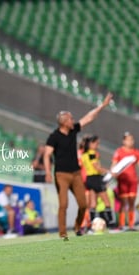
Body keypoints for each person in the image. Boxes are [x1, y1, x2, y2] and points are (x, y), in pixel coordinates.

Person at [43, 93, 113, 240]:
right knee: (63, 204)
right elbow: (47, 155)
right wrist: (48, 172)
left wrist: (103, 105)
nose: (73, 121)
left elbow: (89, 117)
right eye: (71, 119)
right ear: (64, 122)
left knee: (83, 204)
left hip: (75, 174)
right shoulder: (54, 137)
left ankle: (77, 226)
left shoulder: (73, 130)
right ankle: (63, 233)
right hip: (61, 175)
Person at [81, 135, 114, 227]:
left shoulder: (84, 154)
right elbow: (96, 167)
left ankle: (92, 224)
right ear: (90, 143)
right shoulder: (92, 153)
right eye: (96, 143)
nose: (97, 145)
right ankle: (111, 223)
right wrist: (109, 171)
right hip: (95, 178)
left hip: (89, 179)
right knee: (106, 201)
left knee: (93, 203)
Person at [111, 132, 139, 231]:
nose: (130, 142)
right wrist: (113, 173)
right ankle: (122, 224)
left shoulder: (136, 152)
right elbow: (114, 165)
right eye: (128, 139)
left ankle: (131, 224)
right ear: (124, 141)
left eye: (132, 139)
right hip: (122, 181)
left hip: (133, 181)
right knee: (123, 203)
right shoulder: (119, 152)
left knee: (132, 202)